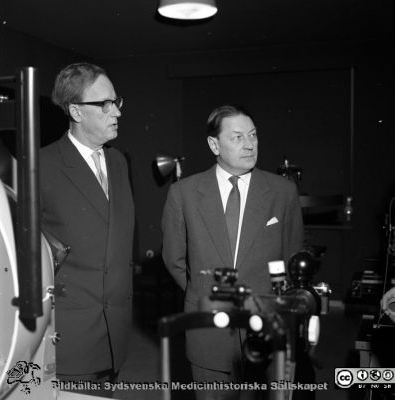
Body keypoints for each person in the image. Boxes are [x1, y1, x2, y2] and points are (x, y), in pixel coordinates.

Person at [161, 105, 304, 398]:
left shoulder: (282, 192)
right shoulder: (184, 193)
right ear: (214, 144)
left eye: (253, 135)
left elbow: (292, 257)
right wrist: (203, 292)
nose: (249, 144)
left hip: (264, 329)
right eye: (237, 137)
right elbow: (174, 260)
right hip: (208, 328)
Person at [40, 62, 135, 396]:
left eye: (116, 101)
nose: (116, 112)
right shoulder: (41, 167)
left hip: (115, 335)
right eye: (104, 104)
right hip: (72, 337)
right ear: (76, 111)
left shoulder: (119, 162)